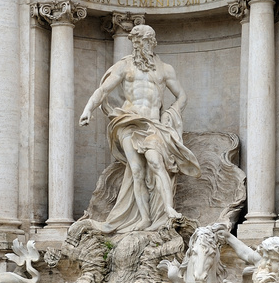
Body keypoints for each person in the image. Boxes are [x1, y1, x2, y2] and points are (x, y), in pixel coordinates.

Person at [78, 24, 200, 234]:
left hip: (153, 124)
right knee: (136, 170)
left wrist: (170, 114)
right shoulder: (124, 67)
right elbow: (103, 90)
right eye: (135, 42)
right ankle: (144, 218)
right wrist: (88, 109)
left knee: (156, 162)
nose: (137, 46)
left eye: (141, 41)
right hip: (128, 121)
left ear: (151, 42)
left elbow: (182, 96)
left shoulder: (164, 69)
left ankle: (168, 209)